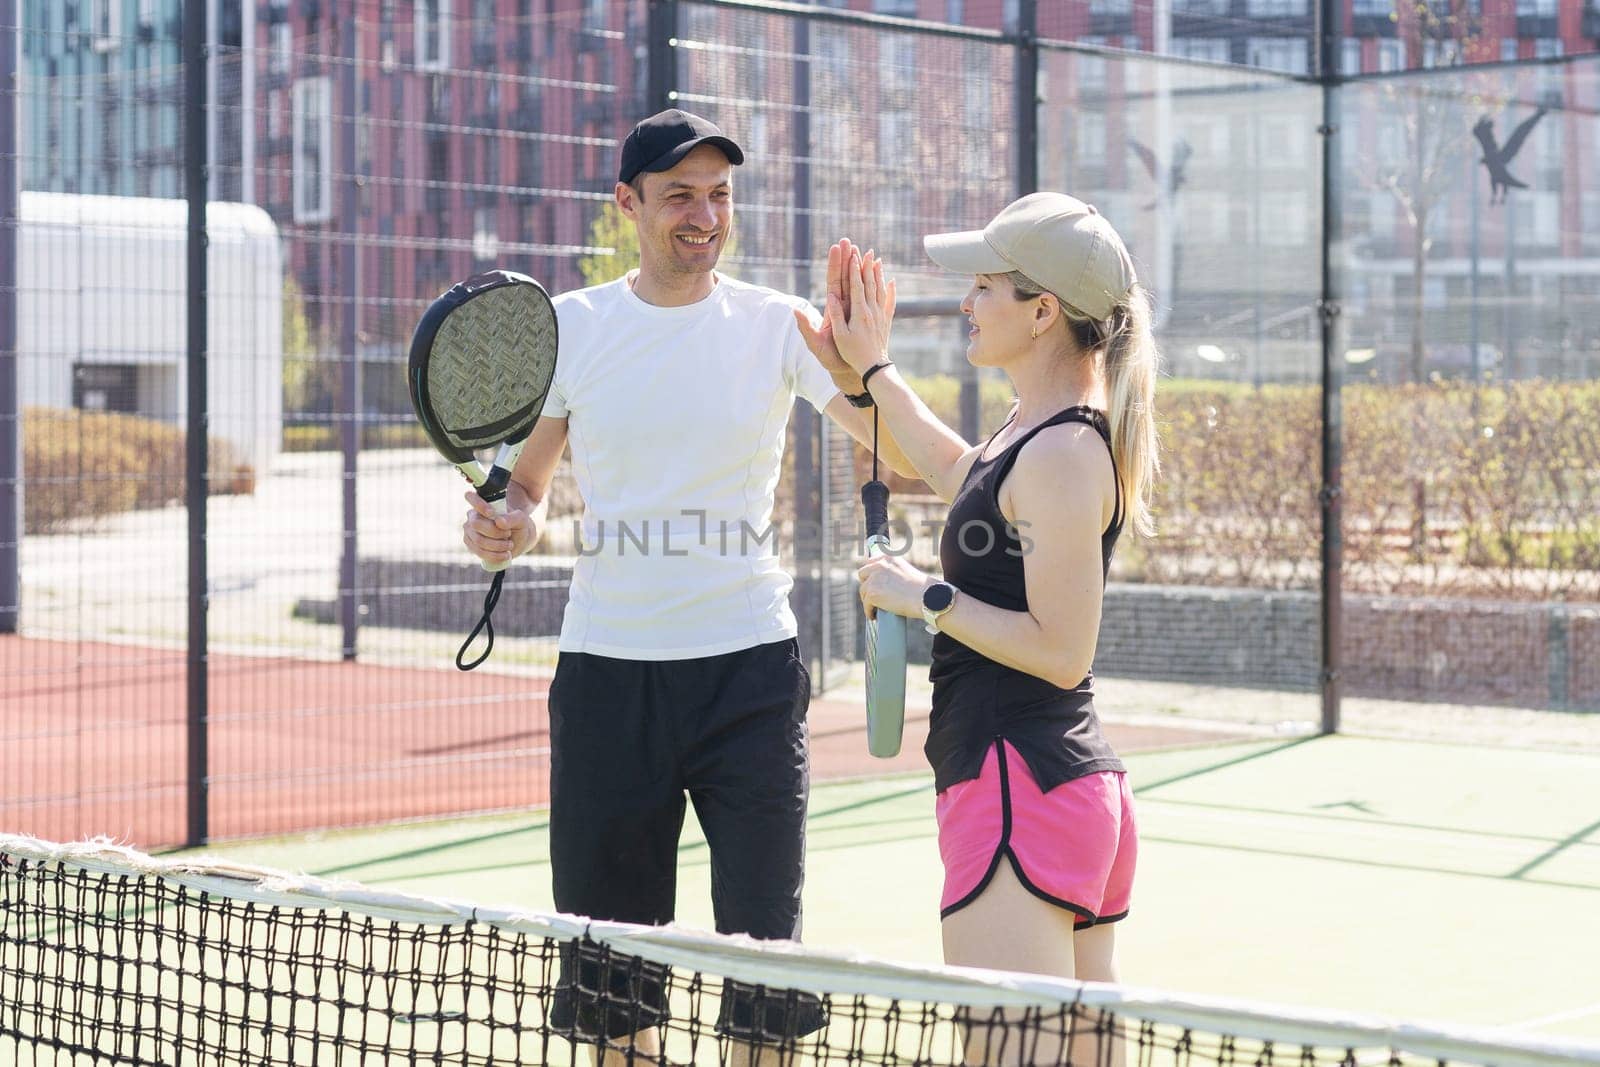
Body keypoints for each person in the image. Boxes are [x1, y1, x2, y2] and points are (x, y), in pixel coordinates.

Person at [460, 108, 914, 1065]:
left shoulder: (778, 326)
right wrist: (504, 527)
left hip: (748, 676)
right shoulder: (573, 328)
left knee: (768, 980)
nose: (704, 215)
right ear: (628, 203)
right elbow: (529, 487)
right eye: (679, 196)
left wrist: (876, 359)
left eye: (719, 195)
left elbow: (894, 452)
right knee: (614, 988)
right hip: (607, 683)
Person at [812, 192, 1159, 1064]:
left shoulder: (1063, 454)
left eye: (987, 287)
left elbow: (1061, 649)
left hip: (1018, 791)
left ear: (1043, 312)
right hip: (1053, 787)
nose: (968, 302)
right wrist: (856, 371)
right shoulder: (1032, 435)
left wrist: (921, 596)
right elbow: (944, 462)